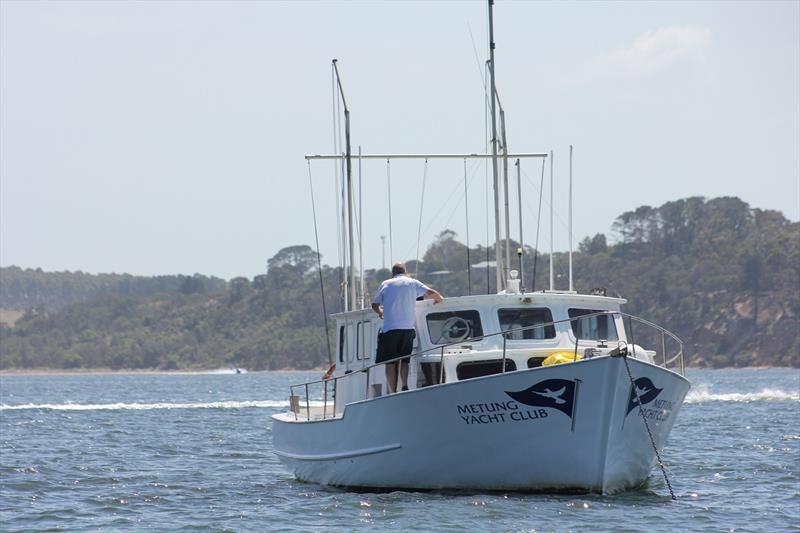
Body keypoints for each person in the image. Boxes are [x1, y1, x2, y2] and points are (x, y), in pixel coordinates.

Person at [372, 261, 443, 393]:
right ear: (404, 272)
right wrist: (439, 298)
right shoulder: (413, 282)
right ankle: (404, 384)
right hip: (408, 329)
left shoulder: (386, 284)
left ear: (393, 273)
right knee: (405, 360)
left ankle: (393, 391)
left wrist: (381, 313)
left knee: (390, 362)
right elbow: (431, 292)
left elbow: (375, 305)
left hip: (390, 329)